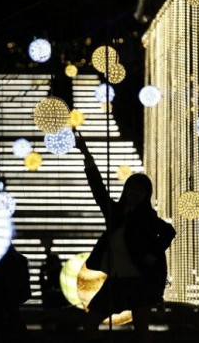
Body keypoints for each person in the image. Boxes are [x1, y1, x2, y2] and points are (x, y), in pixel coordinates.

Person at [75, 130, 176, 342]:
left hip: (140, 281)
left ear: (146, 195)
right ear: (126, 190)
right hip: (117, 282)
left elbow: (169, 231)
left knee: (141, 330)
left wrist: (152, 253)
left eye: (141, 190)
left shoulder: (148, 217)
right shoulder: (116, 213)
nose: (135, 192)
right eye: (132, 188)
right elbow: (98, 191)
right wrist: (87, 156)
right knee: (90, 323)